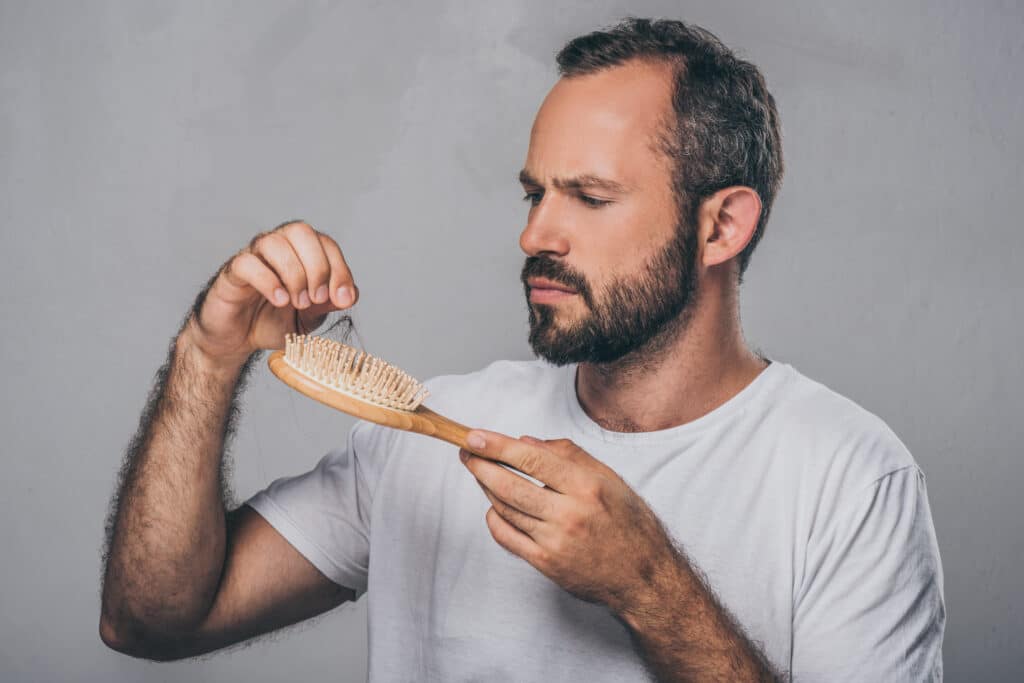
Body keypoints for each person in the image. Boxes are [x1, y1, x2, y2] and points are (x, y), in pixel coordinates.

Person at [99, 17, 945, 682]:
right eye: (536, 192)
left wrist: (650, 587)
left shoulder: (849, 479)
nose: (534, 232)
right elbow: (150, 619)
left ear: (721, 224)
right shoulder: (427, 434)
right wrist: (206, 357)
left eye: (589, 196)